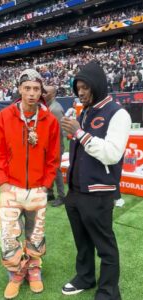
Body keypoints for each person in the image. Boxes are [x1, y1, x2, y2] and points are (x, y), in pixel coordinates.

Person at [61, 61, 131, 300]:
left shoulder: (118, 113)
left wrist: (80, 133)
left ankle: (109, 292)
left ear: (98, 85)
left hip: (99, 192)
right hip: (76, 191)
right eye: (78, 88)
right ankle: (85, 277)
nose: (80, 92)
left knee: (105, 246)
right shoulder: (86, 110)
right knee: (82, 242)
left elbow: (112, 154)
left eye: (85, 87)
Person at [0, 69, 60, 299]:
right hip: (11, 188)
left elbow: (53, 157)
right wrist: (3, 183)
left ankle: (34, 270)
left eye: (36, 89)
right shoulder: (5, 116)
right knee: (9, 236)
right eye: (27, 88)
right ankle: (16, 274)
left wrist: (46, 184)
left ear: (41, 92)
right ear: (20, 89)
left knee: (36, 234)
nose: (31, 93)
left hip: (38, 189)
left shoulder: (49, 120)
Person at [43, 85, 66, 207]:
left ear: (52, 94)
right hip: (49, 146)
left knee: (56, 171)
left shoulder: (55, 109)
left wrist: (56, 149)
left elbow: (60, 131)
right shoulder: (48, 107)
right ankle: (50, 193)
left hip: (55, 146)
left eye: (45, 92)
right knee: (48, 170)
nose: (42, 94)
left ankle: (62, 196)